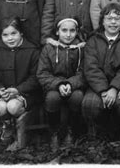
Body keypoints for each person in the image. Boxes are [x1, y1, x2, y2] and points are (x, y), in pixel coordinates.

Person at [82, 3, 120, 140]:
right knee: (90, 103)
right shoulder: (93, 41)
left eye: (117, 19)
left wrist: (114, 88)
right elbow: (91, 67)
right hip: (97, 86)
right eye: (109, 18)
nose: (113, 22)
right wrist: (103, 90)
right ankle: (95, 135)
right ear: (102, 21)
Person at [0, 17, 41, 151]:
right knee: (0, 107)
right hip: (4, 95)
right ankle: (8, 129)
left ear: (21, 33)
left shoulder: (33, 52)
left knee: (13, 106)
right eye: (5, 35)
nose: (10, 38)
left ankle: (21, 133)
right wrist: (0, 90)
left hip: (27, 95)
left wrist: (18, 90)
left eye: (13, 33)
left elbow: (36, 78)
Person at [37, 16, 86, 151]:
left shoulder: (80, 49)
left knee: (77, 97)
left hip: (74, 86)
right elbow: (43, 73)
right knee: (52, 98)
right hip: (53, 86)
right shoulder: (49, 49)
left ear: (77, 32)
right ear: (57, 32)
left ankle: (72, 131)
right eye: (64, 30)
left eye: (72, 30)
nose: (68, 34)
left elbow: (84, 73)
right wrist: (59, 84)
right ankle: (55, 132)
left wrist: (70, 84)